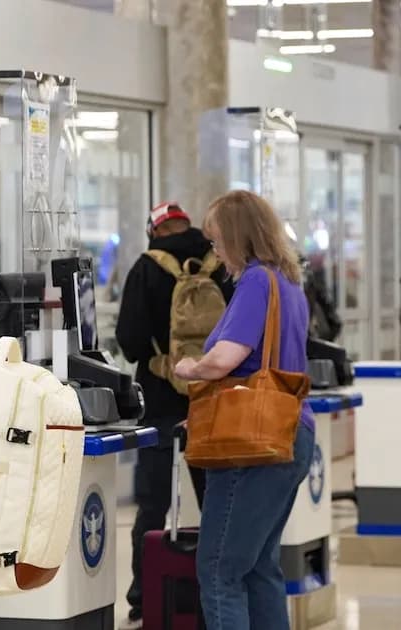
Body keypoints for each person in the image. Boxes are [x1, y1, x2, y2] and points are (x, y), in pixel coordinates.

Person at [173, 190, 314, 630]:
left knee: (219, 570)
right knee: (258, 568)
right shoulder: (288, 282)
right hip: (291, 430)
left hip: (250, 443)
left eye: (217, 241)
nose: (215, 251)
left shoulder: (256, 281)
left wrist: (190, 367)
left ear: (238, 237)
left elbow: (225, 359)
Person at [115, 201, 232, 628]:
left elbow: (130, 341)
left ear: (154, 230)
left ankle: (144, 597)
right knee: (214, 501)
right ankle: (212, 594)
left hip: (160, 400)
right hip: (211, 399)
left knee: (152, 505)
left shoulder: (146, 268)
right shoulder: (220, 264)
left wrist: (160, 360)